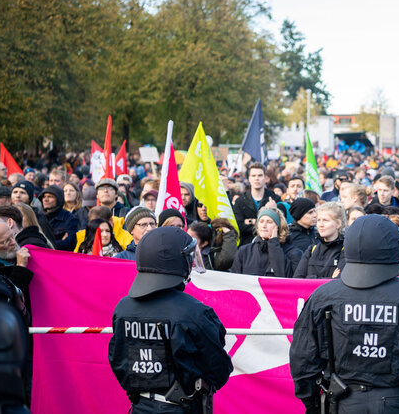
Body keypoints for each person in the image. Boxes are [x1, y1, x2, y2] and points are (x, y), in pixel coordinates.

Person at [289, 215, 399, 414]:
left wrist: (312, 405)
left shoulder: (323, 297)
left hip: (342, 403)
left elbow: (303, 362)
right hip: (394, 403)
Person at [108, 227, 233, 413]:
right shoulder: (194, 312)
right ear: (178, 261)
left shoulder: (123, 308)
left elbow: (117, 360)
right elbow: (219, 369)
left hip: (139, 407)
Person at [230, 208, 302, 277]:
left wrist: (274, 243)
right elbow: (235, 281)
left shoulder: (293, 253)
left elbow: (285, 277)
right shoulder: (244, 251)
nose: (264, 226)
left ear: (279, 227)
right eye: (261, 221)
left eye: (269, 222)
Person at [294, 202, 346, 279]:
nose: (321, 225)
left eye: (325, 220)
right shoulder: (312, 249)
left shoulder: (345, 249)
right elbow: (297, 280)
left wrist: (309, 277)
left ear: (338, 224)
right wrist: (329, 279)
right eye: (318, 220)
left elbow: (338, 283)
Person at [233, 163, 280, 245]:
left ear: (265, 178)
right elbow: (239, 226)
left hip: (269, 245)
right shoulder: (240, 201)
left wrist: (252, 221)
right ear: (249, 178)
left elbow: (278, 225)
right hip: (247, 246)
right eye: (254, 176)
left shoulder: (274, 199)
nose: (257, 178)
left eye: (260, 175)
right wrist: (264, 224)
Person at [39, 185, 79, 251]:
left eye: (50, 197)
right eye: (44, 197)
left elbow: (68, 243)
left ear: (58, 199)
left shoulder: (70, 218)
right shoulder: (38, 217)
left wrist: (44, 245)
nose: (46, 199)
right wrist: (59, 242)